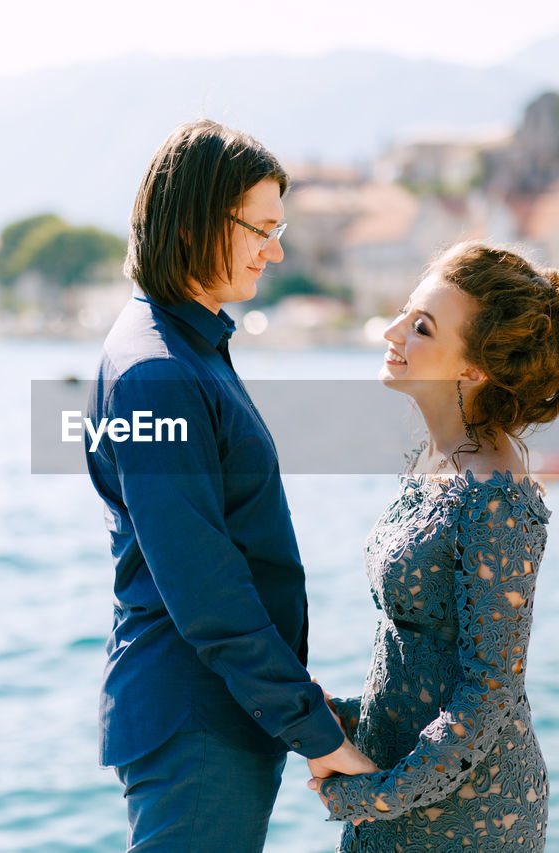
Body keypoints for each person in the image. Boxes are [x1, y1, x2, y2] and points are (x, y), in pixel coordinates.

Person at [84, 119, 378, 853]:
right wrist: (311, 728)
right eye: (263, 229)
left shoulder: (185, 345)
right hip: (197, 721)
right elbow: (204, 584)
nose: (276, 252)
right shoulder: (158, 372)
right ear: (197, 224)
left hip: (217, 711)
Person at [307, 242, 559, 851]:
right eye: (406, 313)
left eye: (420, 327)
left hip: (471, 815)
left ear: (471, 370)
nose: (392, 331)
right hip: (407, 778)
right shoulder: (437, 458)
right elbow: (427, 651)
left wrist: (372, 796)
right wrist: (350, 714)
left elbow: (489, 694)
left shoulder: (493, 496)